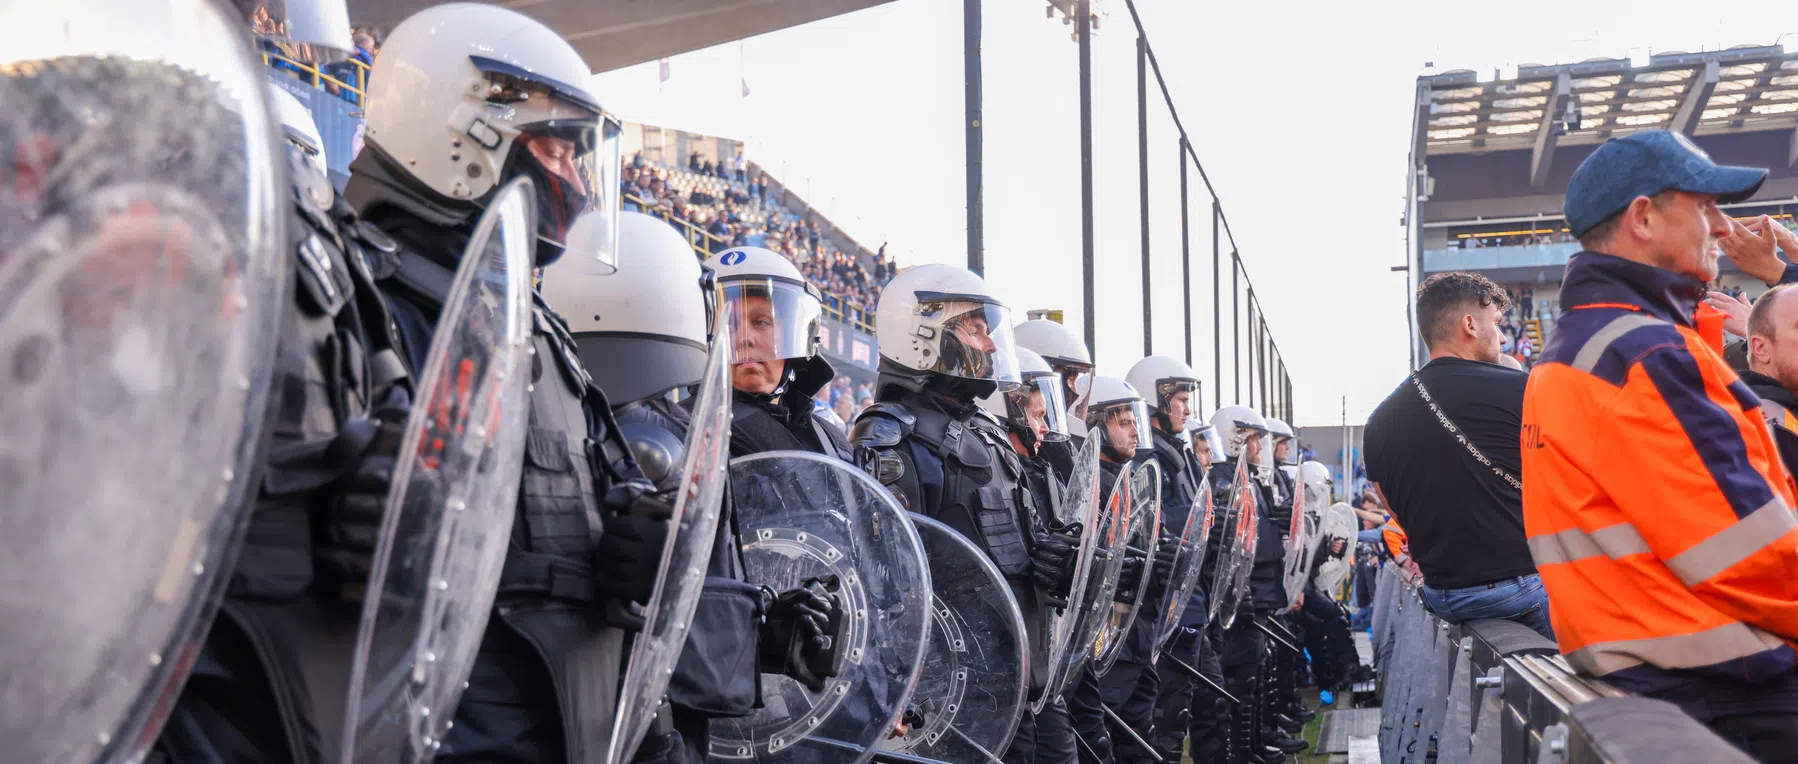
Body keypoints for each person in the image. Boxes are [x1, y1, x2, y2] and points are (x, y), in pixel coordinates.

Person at [340, 7, 670, 761]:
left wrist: (632, 538)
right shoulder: (355, 296)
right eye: (562, 149)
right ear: (465, 132)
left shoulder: (542, 333)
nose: (582, 186)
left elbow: (593, 499)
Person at [147, 11, 417, 760]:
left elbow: (388, 400)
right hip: (116, 655)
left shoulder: (327, 251)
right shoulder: (75, 195)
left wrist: (389, 487)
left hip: (274, 678)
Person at [1523, 128, 1798, 762]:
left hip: (1657, 679)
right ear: (1643, 218)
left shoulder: (1579, 350)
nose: (1723, 228)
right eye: (1706, 207)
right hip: (1727, 697)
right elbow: (1752, 555)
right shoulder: (1643, 353)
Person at [541, 212, 846, 762]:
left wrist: (777, 635)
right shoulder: (671, 433)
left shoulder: (829, 437)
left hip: (793, 701)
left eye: (763, 321)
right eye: (728, 320)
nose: (746, 338)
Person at [851, 264, 1075, 764]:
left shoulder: (987, 432)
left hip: (1020, 677)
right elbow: (884, 583)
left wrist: (1054, 558)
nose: (991, 345)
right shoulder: (891, 435)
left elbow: (1015, 544)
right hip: (952, 698)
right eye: (975, 327)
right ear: (923, 333)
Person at [1364, 271, 1549, 639]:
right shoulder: (1522, 388)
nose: (1501, 335)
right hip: (1521, 589)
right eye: (1495, 324)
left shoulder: (1378, 421)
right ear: (1469, 325)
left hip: (1442, 595)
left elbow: (1396, 511)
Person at [978, 348, 1081, 764]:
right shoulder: (992, 471)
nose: (1045, 427)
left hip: (1041, 654)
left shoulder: (1040, 471)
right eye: (1037, 415)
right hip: (1000, 658)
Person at [1126, 357, 1230, 763]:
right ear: (1156, 401)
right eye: (1181, 399)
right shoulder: (1146, 461)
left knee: (1212, 704)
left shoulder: (1180, 455)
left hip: (1193, 605)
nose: (1187, 409)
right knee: (1169, 725)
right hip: (1167, 614)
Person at [1203, 405, 1299, 763]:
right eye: (1255, 439)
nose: (1260, 447)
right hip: (1241, 601)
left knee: (1256, 671)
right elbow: (1230, 549)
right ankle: (1244, 752)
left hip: (1255, 594)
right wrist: (1238, 594)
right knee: (1241, 679)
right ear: (1234, 438)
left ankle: (1254, 746)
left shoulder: (1245, 478)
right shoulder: (1225, 481)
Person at [706, 246, 853, 459]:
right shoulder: (677, 434)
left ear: (793, 336)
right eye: (728, 325)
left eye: (762, 322)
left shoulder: (831, 443)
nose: (745, 338)